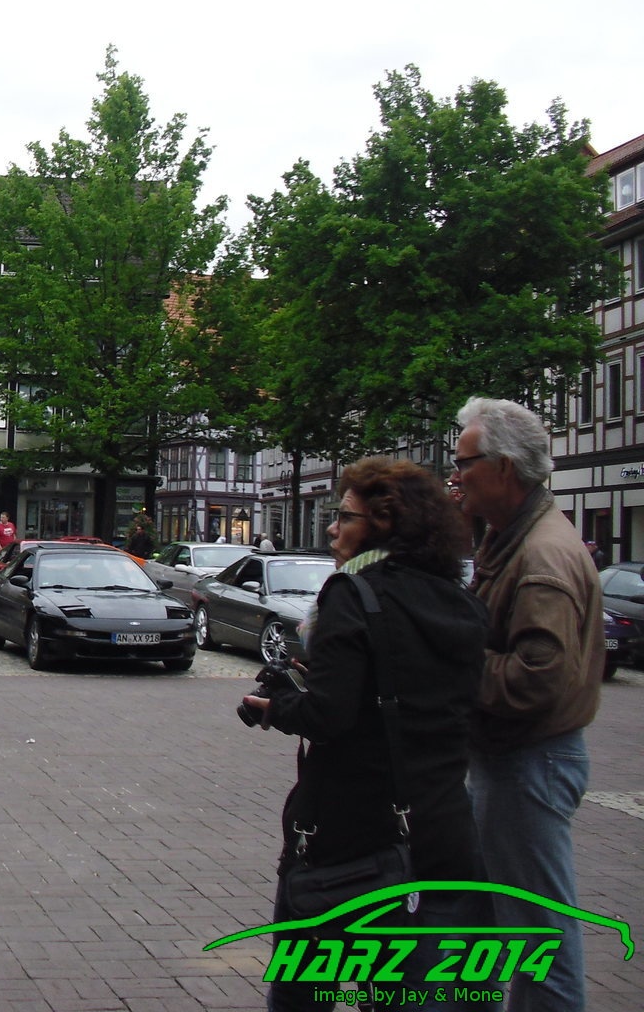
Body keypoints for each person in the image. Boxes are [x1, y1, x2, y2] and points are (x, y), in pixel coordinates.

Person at [242, 457, 488, 1009]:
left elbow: (329, 715)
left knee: (304, 991)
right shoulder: (461, 601)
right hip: (441, 829)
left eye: (345, 517)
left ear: (383, 525)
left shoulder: (352, 594)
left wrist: (277, 706)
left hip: (351, 831)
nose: (332, 528)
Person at [453, 396, 605, 1011]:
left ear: (504, 468)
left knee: (541, 944)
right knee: (489, 930)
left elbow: (537, 677)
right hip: (513, 760)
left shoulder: (541, 555)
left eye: (464, 463)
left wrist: (453, 665)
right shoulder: (514, 537)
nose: (456, 475)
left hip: (528, 763)